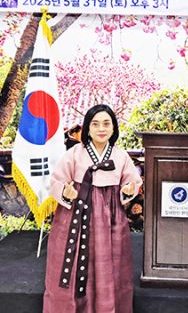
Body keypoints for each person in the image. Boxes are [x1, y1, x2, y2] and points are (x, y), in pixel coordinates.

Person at [43, 104, 142, 313]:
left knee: (111, 267)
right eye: (95, 124)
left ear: (114, 128)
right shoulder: (74, 154)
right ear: (87, 128)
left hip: (111, 219)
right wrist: (66, 191)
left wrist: (128, 189)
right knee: (73, 266)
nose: (101, 129)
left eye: (106, 124)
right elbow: (55, 181)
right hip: (76, 216)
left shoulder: (121, 156)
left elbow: (132, 182)